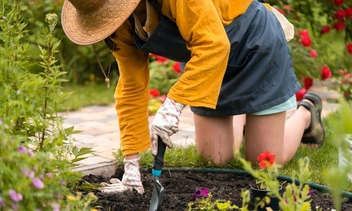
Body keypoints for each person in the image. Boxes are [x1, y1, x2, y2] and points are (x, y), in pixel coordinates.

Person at [61, 0, 325, 194]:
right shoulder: (122, 27)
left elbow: (215, 45)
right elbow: (131, 88)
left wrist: (174, 103)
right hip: (206, 66)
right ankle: (248, 120)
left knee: (264, 162)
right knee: (215, 158)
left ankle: (306, 112)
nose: (109, 20)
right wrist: (131, 165)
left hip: (254, 46)